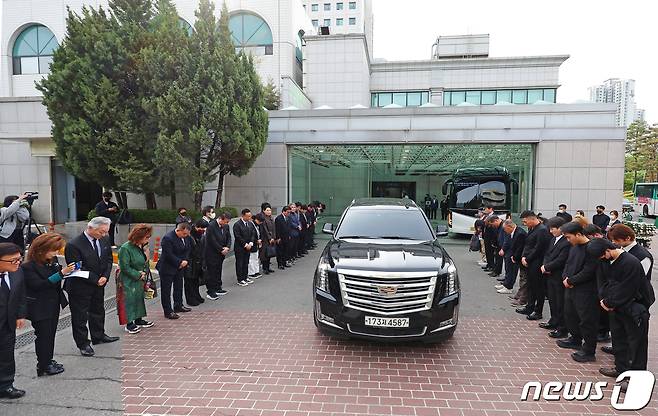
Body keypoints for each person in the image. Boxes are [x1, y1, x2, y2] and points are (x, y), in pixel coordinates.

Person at [588, 238, 652, 382]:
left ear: (608, 250)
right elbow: (602, 282)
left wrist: (609, 302)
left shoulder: (631, 263)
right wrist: (603, 299)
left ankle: (636, 378)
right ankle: (621, 369)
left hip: (634, 308)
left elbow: (627, 289)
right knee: (619, 339)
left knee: (637, 345)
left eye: (603, 256)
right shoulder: (604, 261)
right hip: (615, 307)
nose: (601, 259)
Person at [64, 217, 118, 356]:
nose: (105, 235)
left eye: (106, 232)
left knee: (98, 309)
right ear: (91, 228)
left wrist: (105, 276)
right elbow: (76, 268)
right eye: (101, 232)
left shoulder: (104, 239)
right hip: (80, 286)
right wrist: (96, 279)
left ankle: (99, 335)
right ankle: (83, 343)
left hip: (99, 283)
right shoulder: (74, 245)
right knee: (80, 316)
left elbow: (108, 260)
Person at [22, 233, 73, 377]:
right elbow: (39, 285)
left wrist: (65, 272)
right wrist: (61, 274)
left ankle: (48, 360)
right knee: (44, 336)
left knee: (50, 335)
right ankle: (43, 365)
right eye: (54, 250)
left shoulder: (52, 260)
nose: (56, 253)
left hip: (53, 303)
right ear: (41, 250)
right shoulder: (28, 267)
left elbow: (55, 279)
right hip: (39, 306)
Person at [602, 224, 654, 357]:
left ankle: (631, 360)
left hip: (636, 299)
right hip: (620, 298)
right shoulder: (621, 251)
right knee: (620, 330)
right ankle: (620, 352)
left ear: (628, 238)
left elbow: (635, 281)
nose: (613, 243)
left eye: (616, 240)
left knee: (634, 335)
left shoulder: (642, 255)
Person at [557, 222, 600, 363]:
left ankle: (589, 350)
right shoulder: (574, 247)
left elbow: (588, 271)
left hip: (586, 291)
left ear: (579, 234)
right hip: (570, 287)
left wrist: (571, 280)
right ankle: (575, 339)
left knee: (587, 320)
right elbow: (568, 264)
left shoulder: (592, 248)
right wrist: (565, 278)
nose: (568, 240)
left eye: (569, 237)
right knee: (570, 314)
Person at [0, 243, 27, 399]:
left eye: (19, 259)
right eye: (13, 260)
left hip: (8, 323)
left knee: (6, 356)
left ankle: (6, 385)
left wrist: (20, 314)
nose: (17, 263)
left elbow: (21, 293)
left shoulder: (17, 272)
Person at [118, 224, 155, 334]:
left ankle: (139, 319)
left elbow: (145, 261)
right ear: (138, 236)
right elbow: (125, 266)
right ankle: (129, 323)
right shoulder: (126, 248)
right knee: (129, 299)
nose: (148, 239)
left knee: (139, 298)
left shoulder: (141, 246)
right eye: (146, 237)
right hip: (128, 279)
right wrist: (137, 274)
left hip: (140, 277)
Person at [517, 211, 552, 321]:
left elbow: (539, 248)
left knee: (538, 288)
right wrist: (523, 257)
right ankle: (529, 307)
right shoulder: (532, 228)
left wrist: (527, 258)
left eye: (525, 221)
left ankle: (538, 311)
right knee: (531, 286)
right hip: (530, 262)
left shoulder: (542, 230)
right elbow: (528, 244)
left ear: (531, 219)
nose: (524, 223)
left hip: (537, 263)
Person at [539, 217, 570, 338]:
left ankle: (562, 328)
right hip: (550, 274)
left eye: (553, 229)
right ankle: (553, 321)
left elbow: (562, 259)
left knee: (560, 302)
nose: (551, 231)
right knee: (552, 300)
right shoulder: (553, 239)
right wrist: (545, 265)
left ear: (561, 228)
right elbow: (547, 254)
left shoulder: (566, 241)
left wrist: (547, 267)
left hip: (558, 275)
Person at [155, 222, 192, 319]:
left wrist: (185, 261)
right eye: (184, 234)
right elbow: (168, 254)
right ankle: (168, 311)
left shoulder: (186, 237)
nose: (185, 236)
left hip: (180, 267)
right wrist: (179, 262)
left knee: (179, 286)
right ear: (178, 230)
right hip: (167, 267)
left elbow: (188, 249)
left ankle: (178, 305)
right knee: (166, 290)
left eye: (187, 234)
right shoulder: (168, 238)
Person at [204, 213, 231, 300]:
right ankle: (211, 291)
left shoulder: (226, 226)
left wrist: (227, 247)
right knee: (211, 272)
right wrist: (221, 249)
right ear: (221, 219)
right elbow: (211, 240)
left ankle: (218, 288)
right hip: (212, 253)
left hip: (222, 252)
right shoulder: (211, 226)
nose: (226, 224)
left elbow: (229, 237)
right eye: (225, 222)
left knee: (218, 271)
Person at [495, 219, 526, 295]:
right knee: (508, 269)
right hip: (510, 253)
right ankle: (506, 284)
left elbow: (520, 247)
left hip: (515, 255)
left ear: (510, 227)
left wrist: (515, 257)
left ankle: (509, 287)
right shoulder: (512, 232)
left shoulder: (520, 233)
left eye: (505, 229)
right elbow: (508, 241)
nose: (505, 231)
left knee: (512, 271)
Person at [185, 220, 207, 305]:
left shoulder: (199, 234)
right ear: (196, 226)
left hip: (198, 260)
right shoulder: (189, 234)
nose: (203, 230)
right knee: (189, 281)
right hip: (190, 261)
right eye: (202, 228)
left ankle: (196, 296)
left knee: (196, 281)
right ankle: (190, 299)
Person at [234, 209, 256, 287]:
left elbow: (253, 233)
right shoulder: (237, 224)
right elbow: (238, 236)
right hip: (240, 247)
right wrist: (245, 244)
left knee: (246, 262)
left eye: (250, 216)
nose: (249, 217)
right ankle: (240, 279)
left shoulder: (250, 224)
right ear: (243, 215)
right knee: (240, 263)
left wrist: (251, 242)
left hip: (248, 247)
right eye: (248, 216)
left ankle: (245, 277)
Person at [259, 206, 276, 275]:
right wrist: (269, 238)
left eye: (270, 210)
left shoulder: (271, 218)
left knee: (269, 253)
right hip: (265, 239)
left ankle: (268, 267)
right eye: (267, 210)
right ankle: (265, 268)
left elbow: (274, 228)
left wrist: (273, 237)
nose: (269, 212)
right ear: (264, 211)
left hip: (271, 238)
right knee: (265, 254)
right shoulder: (263, 218)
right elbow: (265, 230)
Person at [248, 215, 263, 280]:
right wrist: (256, 241)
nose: (260, 223)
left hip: (257, 244)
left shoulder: (257, 225)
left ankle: (256, 271)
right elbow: (251, 235)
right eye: (259, 221)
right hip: (252, 244)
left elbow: (260, 233)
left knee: (256, 258)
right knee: (251, 259)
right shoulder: (251, 225)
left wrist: (260, 240)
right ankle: (251, 273)